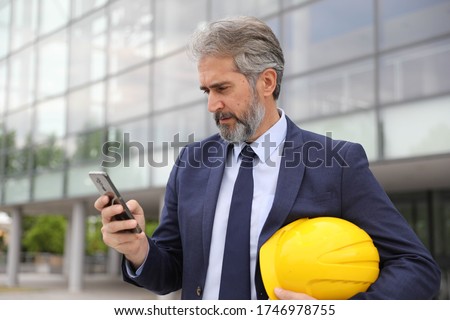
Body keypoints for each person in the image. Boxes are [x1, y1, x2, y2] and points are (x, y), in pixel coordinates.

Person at [94, 16, 441, 300]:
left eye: (222, 88)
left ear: (267, 81)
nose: (212, 105)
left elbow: (416, 267)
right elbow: (170, 273)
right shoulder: (191, 163)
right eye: (206, 91)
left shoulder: (337, 161)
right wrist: (138, 247)